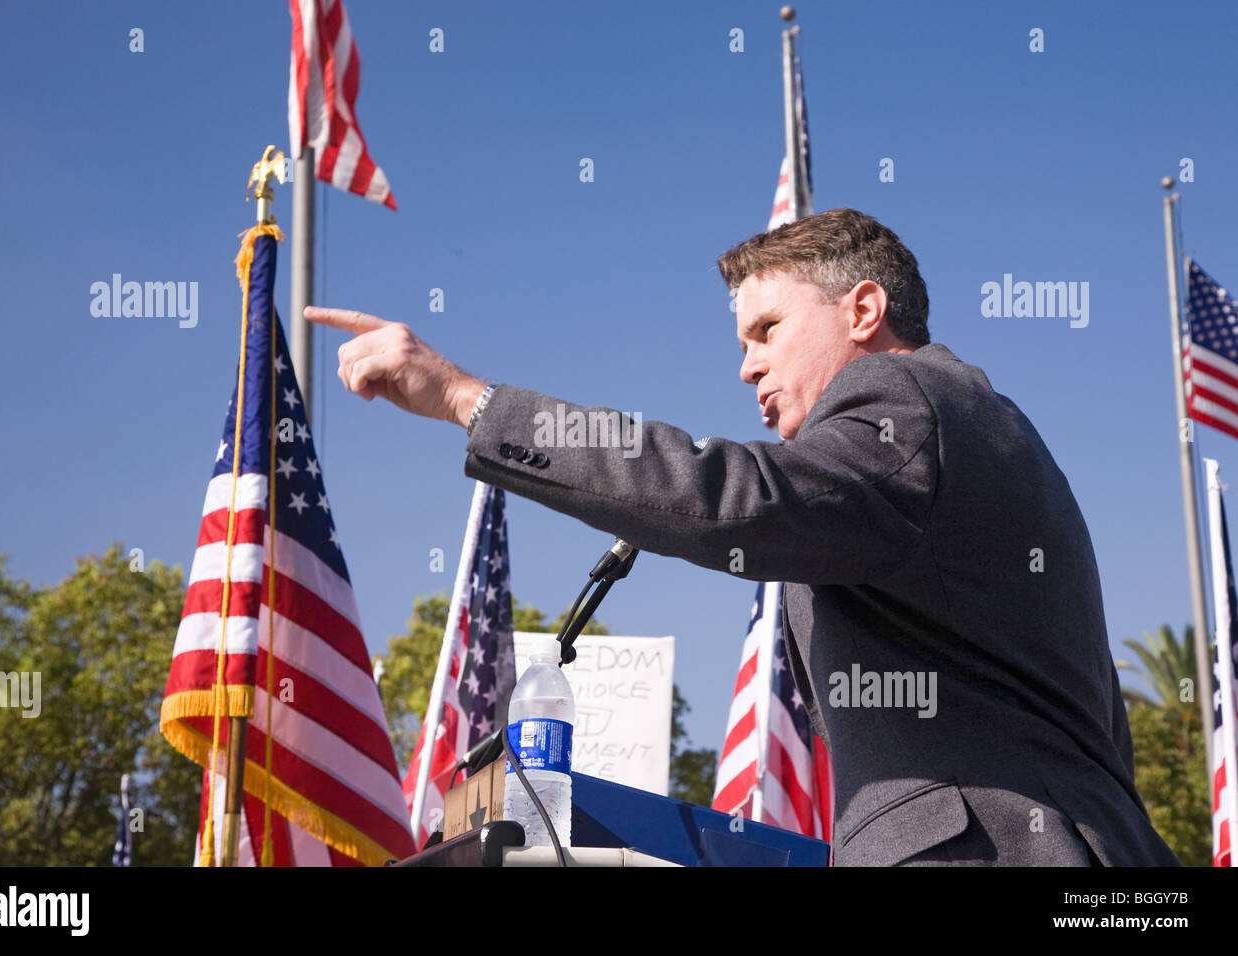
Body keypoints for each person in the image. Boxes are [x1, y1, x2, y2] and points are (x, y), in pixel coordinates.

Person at [306, 207, 1180, 866]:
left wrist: (467, 400)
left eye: (768, 330)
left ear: (864, 308)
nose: (747, 364)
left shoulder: (903, 403)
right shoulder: (990, 438)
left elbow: (732, 496)